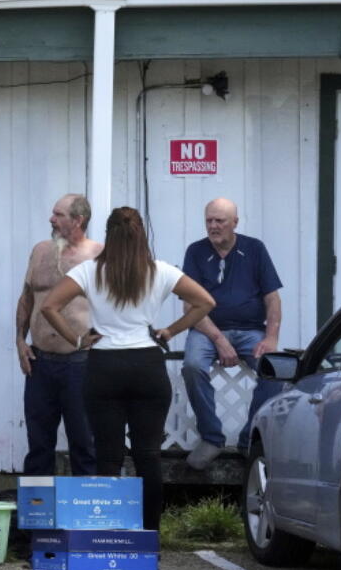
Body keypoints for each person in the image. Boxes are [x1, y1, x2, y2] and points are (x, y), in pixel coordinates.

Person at [42, 207, 214, 531]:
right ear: (141, 235)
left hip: (104, 365)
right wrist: (170, 331)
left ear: (108, 235)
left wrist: (77, 339)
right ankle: (149, 538)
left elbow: (49, 306)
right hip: (147, 365)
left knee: (108, 457)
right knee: (148, 456)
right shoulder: (160, 271)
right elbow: (205, 301)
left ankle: (109, 533)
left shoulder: (89, 271)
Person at [180, 198, 283, 470]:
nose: (213, 226)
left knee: (275, 370)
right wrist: (219, 340)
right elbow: (190, 306)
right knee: (191, 366)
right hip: (207, 330)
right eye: (209, 221)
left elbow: (272, 299)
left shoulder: (255, 249)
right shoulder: (195, 252)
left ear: (234, 222)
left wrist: (271, 337)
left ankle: (250, 438)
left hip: (251, 331)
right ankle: (212, 437)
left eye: (220, 221)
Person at [15, 194, 102, 476]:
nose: (51, 219)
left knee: (84, 441)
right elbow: (27, 297)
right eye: (53, 213)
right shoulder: (41, 250)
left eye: (59, 215)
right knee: (38, 443)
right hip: (39, 361)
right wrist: (19, 340)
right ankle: (36, 513)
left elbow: (114, 304)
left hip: (80, 363)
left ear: (78, 220)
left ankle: (86, 513)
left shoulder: (98, 255)